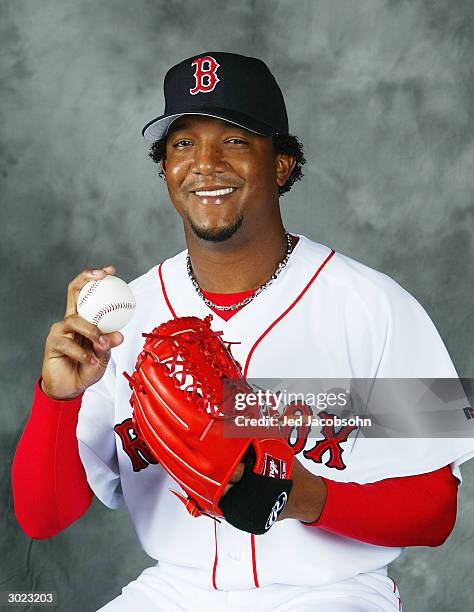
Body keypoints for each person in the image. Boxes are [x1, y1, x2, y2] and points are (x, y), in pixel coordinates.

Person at [12, 52, 474, 612]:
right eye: (183, 143)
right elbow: (43, 517)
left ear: (281, 163)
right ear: (165, 168)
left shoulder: (374, 305)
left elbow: (436, 512)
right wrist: (57, 399)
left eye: (234, 140)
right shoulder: (125, 319)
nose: (205, 164)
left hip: (330, 593)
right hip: (176, 589)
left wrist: (304, 497)